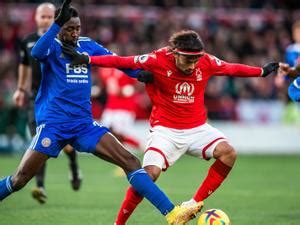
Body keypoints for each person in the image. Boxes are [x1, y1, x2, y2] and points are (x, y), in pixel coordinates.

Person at [0, 1, 203, 225]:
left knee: (130, 161)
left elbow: (115, 61)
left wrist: (138, 73)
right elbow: (37, 53)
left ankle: (172, 214)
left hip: (83, 125)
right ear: (59, 28)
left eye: (77, 28)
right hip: (53, 126)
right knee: (20, 180)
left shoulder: (87, 45)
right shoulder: (50, 46)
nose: (75, 33)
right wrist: (56, 25)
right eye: (69, 28)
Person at [62, 29, 281, 225]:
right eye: (188, 60)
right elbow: (122, 61)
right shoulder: (157, 59)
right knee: (148, 175)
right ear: (175, 53)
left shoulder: (206, 61)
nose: (193, 65)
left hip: (198, 129)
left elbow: (231, 68)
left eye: (196, 60)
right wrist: (88, 59)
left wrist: (260, 72)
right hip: (165, 131)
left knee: (228, 154)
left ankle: (192, 204)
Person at [12, 2, 81, 204]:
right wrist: (20, 88)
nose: (45, 20)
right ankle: (40, 186)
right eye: (42, 16)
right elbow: (24, 66)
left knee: (66, 143)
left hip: (57, 99)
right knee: (38, 140)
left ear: (56, 19)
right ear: (35, 18)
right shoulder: (29, 41)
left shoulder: (61, 43)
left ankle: (74, 167)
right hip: (36, 97)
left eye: (49, 17)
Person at [276, 21, 300, 102]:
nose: (298, 35)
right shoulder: (290, 50)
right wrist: (281, 77)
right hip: (295, 82)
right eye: (296, 33)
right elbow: (288, 66)